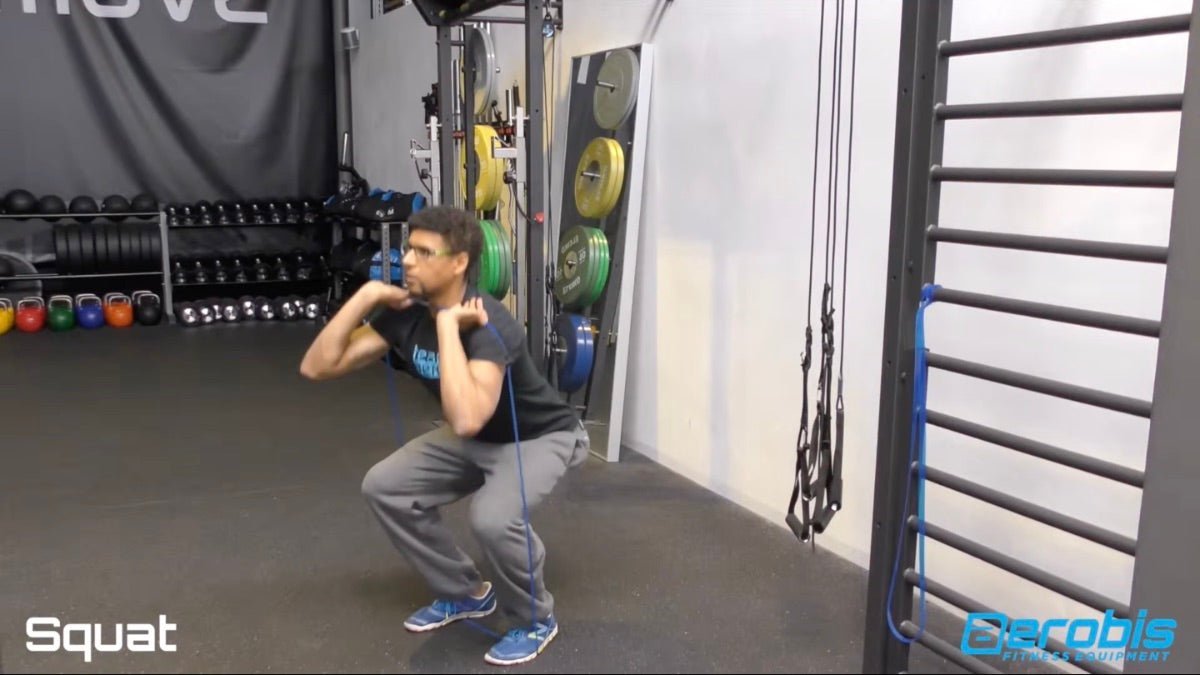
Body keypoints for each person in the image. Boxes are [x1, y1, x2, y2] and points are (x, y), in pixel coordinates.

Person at [299, 206, 588, 666]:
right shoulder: (406, 314)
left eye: (423, 252)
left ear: (457, 263)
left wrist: (450, 328)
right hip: (473, 432)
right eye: (409, 250)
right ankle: (467, 592)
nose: (409, 261)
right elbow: (317, 366)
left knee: (493, 518)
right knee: (385, 485)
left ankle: (536, 619)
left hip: (538, 436)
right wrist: (364, 296)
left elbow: (470, 418)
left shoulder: (490, 322)